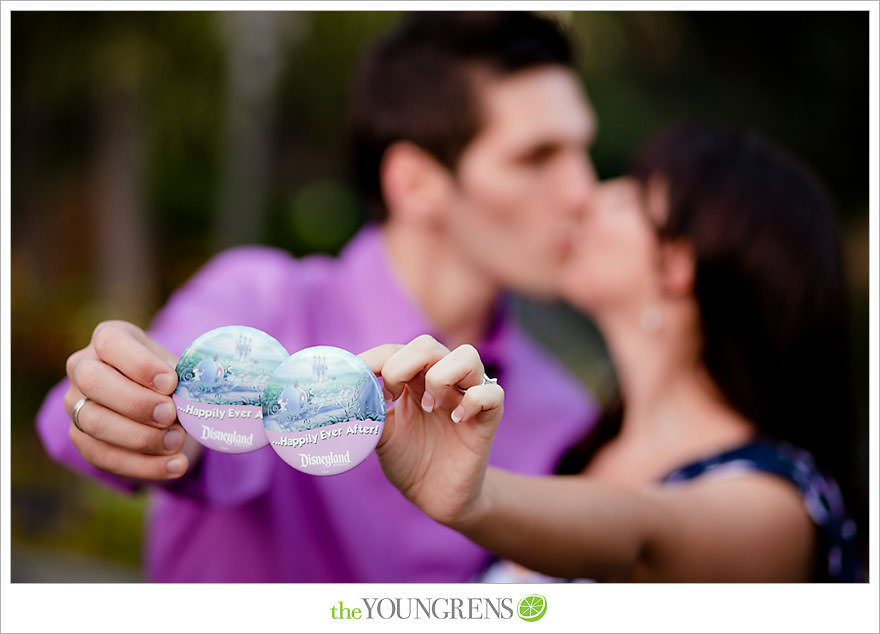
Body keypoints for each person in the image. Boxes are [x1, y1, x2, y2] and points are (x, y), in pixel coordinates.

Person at [35, 12, 599, 582]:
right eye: (537, 157)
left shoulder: (564, 414)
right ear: (415, 183)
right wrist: (143, 401)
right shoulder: (261, 299)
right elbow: (127, 400)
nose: (583, 191)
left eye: (583, 152)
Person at [363, 124, 864, 582]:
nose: (582, 200)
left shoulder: (779, 504)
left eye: (625, 197)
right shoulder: (574, 451)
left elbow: (644, 541)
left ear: (678, 263)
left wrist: (475, 499)